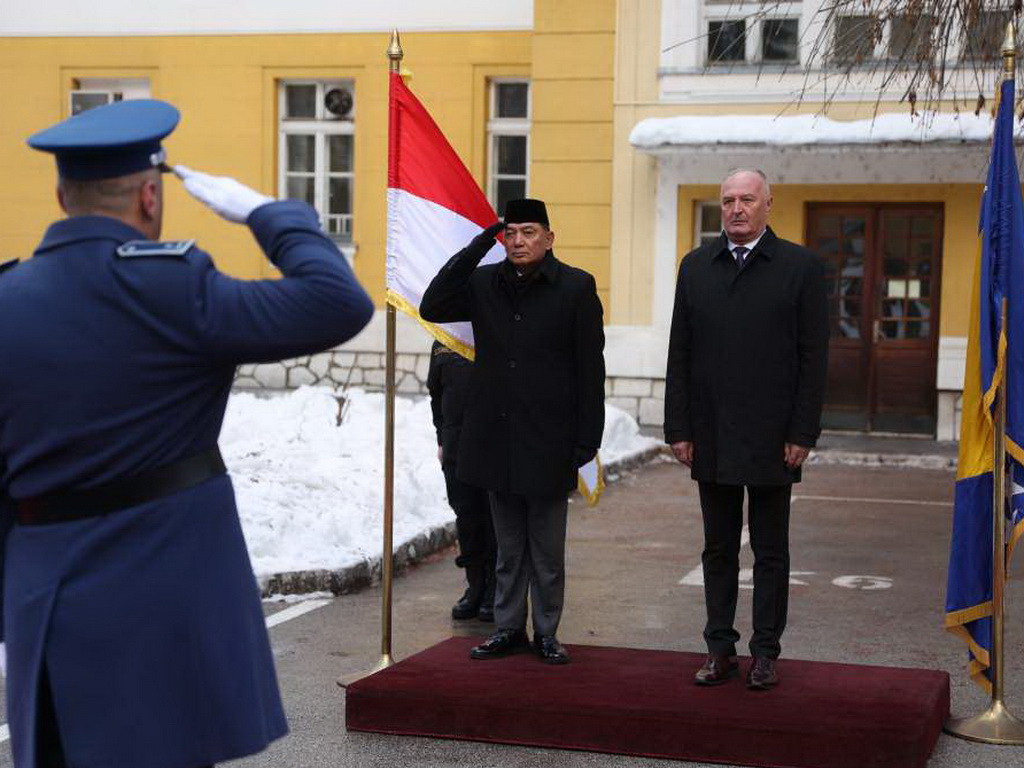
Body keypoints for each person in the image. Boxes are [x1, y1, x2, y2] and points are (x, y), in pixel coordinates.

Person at [0, 99, 374, 767]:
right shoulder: (173, 288)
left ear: (61, 195)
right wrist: (270, 214)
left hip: (44, 606)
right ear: (151, 195)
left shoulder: (7, 299)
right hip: (165, 608)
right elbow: (338, 301)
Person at [420, 198, 605, 665]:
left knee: (545, 548)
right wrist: (480, 242)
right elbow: (433, 302)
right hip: (495, 435)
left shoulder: (576, 288)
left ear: (549, 237)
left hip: (550, 437)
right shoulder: (485, 282)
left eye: (528, 232)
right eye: (510, 233)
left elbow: (590, 370)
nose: (518, 241)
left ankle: (546, 631)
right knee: (507, 546)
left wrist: (587, 441)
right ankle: (507, 628)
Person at [663, 169, 828, 691]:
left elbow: (813, 358)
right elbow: (680, 353)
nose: (736, 209)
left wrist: (802, 432)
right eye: (729, 200)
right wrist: (679, 427)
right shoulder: (695, 267)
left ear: (768, 205)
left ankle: (765, 653)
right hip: (710, 433)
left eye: (747, 200)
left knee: (771, 551)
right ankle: (719, 649)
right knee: (717, 549)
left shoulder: (799, 267)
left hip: (774, 437)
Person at [426, 339, 497, 622]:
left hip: (492, 446)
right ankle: (475, 586)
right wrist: (442, 439)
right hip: (456, 447)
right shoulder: (442, 340)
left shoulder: (493, 327)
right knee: (467, 519)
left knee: (494, 520)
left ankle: (495, 589)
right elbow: (436, 394)